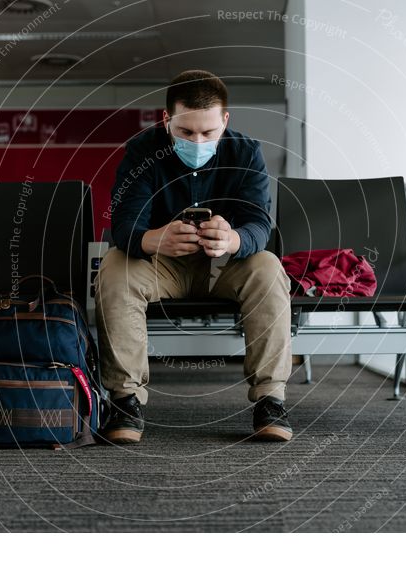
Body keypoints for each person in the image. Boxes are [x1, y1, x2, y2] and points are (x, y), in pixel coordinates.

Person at [95, 70, 292, 444]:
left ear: (225, 121)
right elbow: (123, 226)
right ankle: (125, 400)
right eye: (186, 133)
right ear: (167, 119)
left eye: (208, 133)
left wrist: (233, 239)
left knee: (268, 266)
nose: (197, 141)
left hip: (225, 267)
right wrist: (154, 238)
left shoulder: (246, 152)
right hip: (161, 265)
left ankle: (270, 399)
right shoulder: (142, 150)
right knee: (114, 268)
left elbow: (259, 226)